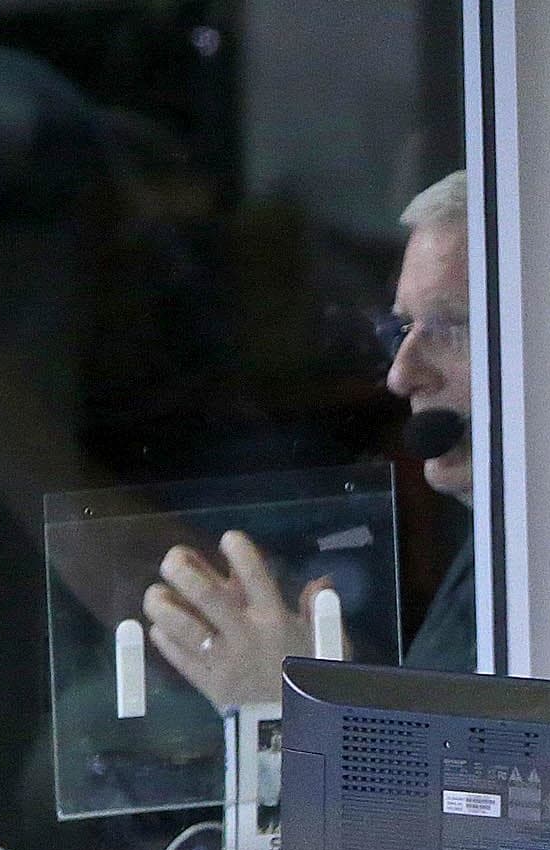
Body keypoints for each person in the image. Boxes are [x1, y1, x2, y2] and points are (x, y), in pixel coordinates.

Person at [141, 171, 481, 702]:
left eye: (453, 329)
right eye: (402, 332)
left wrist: (296, 708)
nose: (402, 375)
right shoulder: (494, 551)